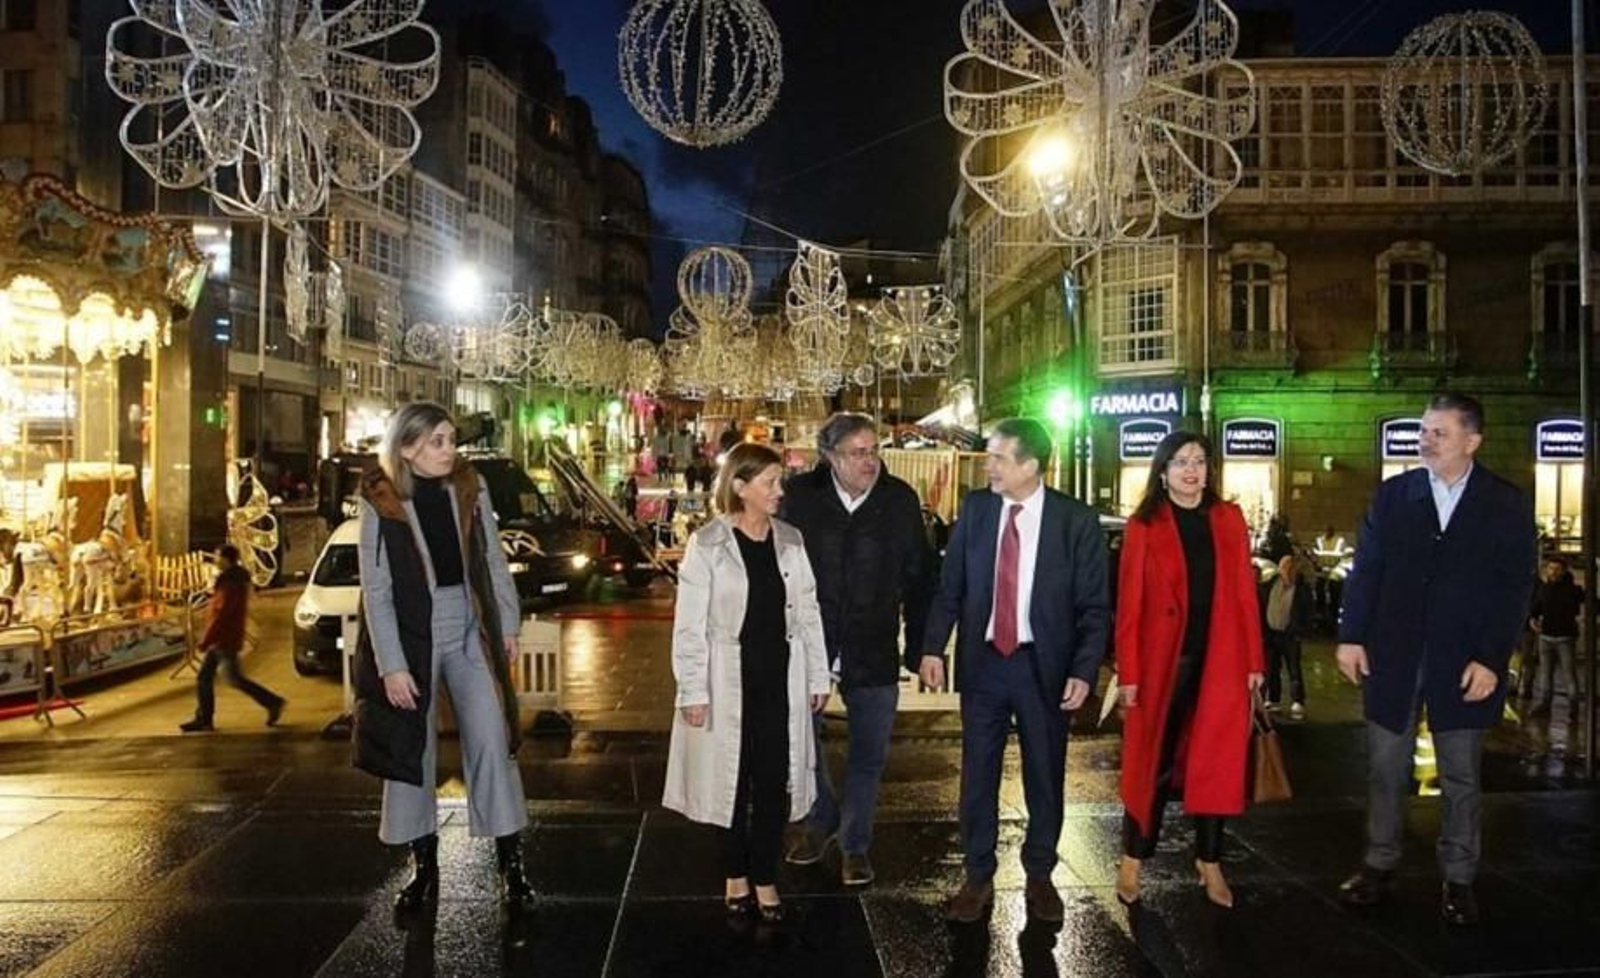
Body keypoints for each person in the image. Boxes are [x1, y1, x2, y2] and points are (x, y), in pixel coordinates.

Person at [1336, 393, 1536, 927]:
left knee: (1462, 775)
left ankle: (1459, 879)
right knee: (1384, 768)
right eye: (1423, 431)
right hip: (1392, 655)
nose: (1425, 440)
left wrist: (1492, 657)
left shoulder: (1505, 503)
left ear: (1472, 440)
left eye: (1438, 432)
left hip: (1465, 660)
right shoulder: (1394, 495)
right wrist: (1351, 636)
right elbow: (1366, 571)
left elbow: (1513, 588)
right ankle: (1378, 864)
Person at [919, 418, 1110, 925]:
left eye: (999, 457)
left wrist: (1084, 670)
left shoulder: (1075, 521)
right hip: (984, 666)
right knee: (976, 775)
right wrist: (933, 647)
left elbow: (1094, 607)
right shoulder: (977, 511)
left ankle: (1040, 874)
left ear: (1029, 464)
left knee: (1044, 773)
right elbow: (950, 586)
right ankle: (977, 873)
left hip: (1042, 668)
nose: (990, 466)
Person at [350, 402, 534, 912]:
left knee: (493, 739)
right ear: (406, 447)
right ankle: (423, 866)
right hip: (412, 637)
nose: (450, 450)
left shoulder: (470, 489)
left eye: (452, 439)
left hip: (467, 626)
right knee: (415, 752)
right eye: (438, 441)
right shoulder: (379, 499)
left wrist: (508, 623)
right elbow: (376, 590)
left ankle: (511, 863)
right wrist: (391, 664)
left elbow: (494, 559)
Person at [663, 443, 832, 922]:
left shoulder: (791, 542)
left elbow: (809, 613)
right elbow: (689, 625)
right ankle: (735, 871)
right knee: (730, 780)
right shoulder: (709, 544)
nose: (780, 491)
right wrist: (692, 690)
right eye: (770, 483)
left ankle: (765, 874)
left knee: (774, 778)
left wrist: (818, 674)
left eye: (779, 481)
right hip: (727, 678)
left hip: (781, 677)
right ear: (740, 487)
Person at [780, 413, 933, 886]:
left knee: (869, 753)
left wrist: (925, 649)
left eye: (874, 450)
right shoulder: (800, 498)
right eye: (858, 453)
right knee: (803, 743)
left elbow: (921, 577)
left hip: (874, 642)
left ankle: (855, 844)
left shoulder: (899, 500)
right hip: (810, 646)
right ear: (830, 457)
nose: (871, 461)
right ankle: (820, 816)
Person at [1113, 432, 1264, 909]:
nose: (1191, 470)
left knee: (1216, 763)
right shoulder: (1144, 525)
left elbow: (1244, 594)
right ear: (1163, 471)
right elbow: (1130, 606)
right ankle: (1133, 858)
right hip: (1163, 662)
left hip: (1221, 657)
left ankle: (1210, 860)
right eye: (1180, 462)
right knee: (1151, 763)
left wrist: (1255, 661)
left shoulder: (1228, 519)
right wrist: (1130, 673)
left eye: (1199, 461)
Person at [179, 544, 286, 733]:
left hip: (224, 638)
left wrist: (206, 639)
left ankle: (272, 702)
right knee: (205, 677)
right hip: (221, 637)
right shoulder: (228, 581)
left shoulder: (231, 584)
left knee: (233, 678)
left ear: (227, 560)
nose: (215, 560)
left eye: (218, 557)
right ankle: (204, 718)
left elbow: (222, 615)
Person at [1527, 556, 1583, 717]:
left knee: (1568, 673)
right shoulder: (1544, 588)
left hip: (1565, 636)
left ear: (1564, 571)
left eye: (1557, 569)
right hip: (1546, 635)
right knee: (1546, 673)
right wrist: (1533, 619)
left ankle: (1573, 706)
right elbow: (1537, 606)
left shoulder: (1573, 590)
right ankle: (1545, 704)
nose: (1553, 572)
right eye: (1551, 568)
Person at [1261, 554, 1313, 718]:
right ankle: (1273, 698)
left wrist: (1301, 630)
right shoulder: (1271, 584)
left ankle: (1297, 700)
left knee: (1294, 669)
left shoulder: (1301, 588)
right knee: (1271, 669)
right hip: (1272, 634)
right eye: (1284, 566)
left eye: (1289, 567)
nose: (1286, 570)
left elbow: (1307, 611)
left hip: (1290, 635)